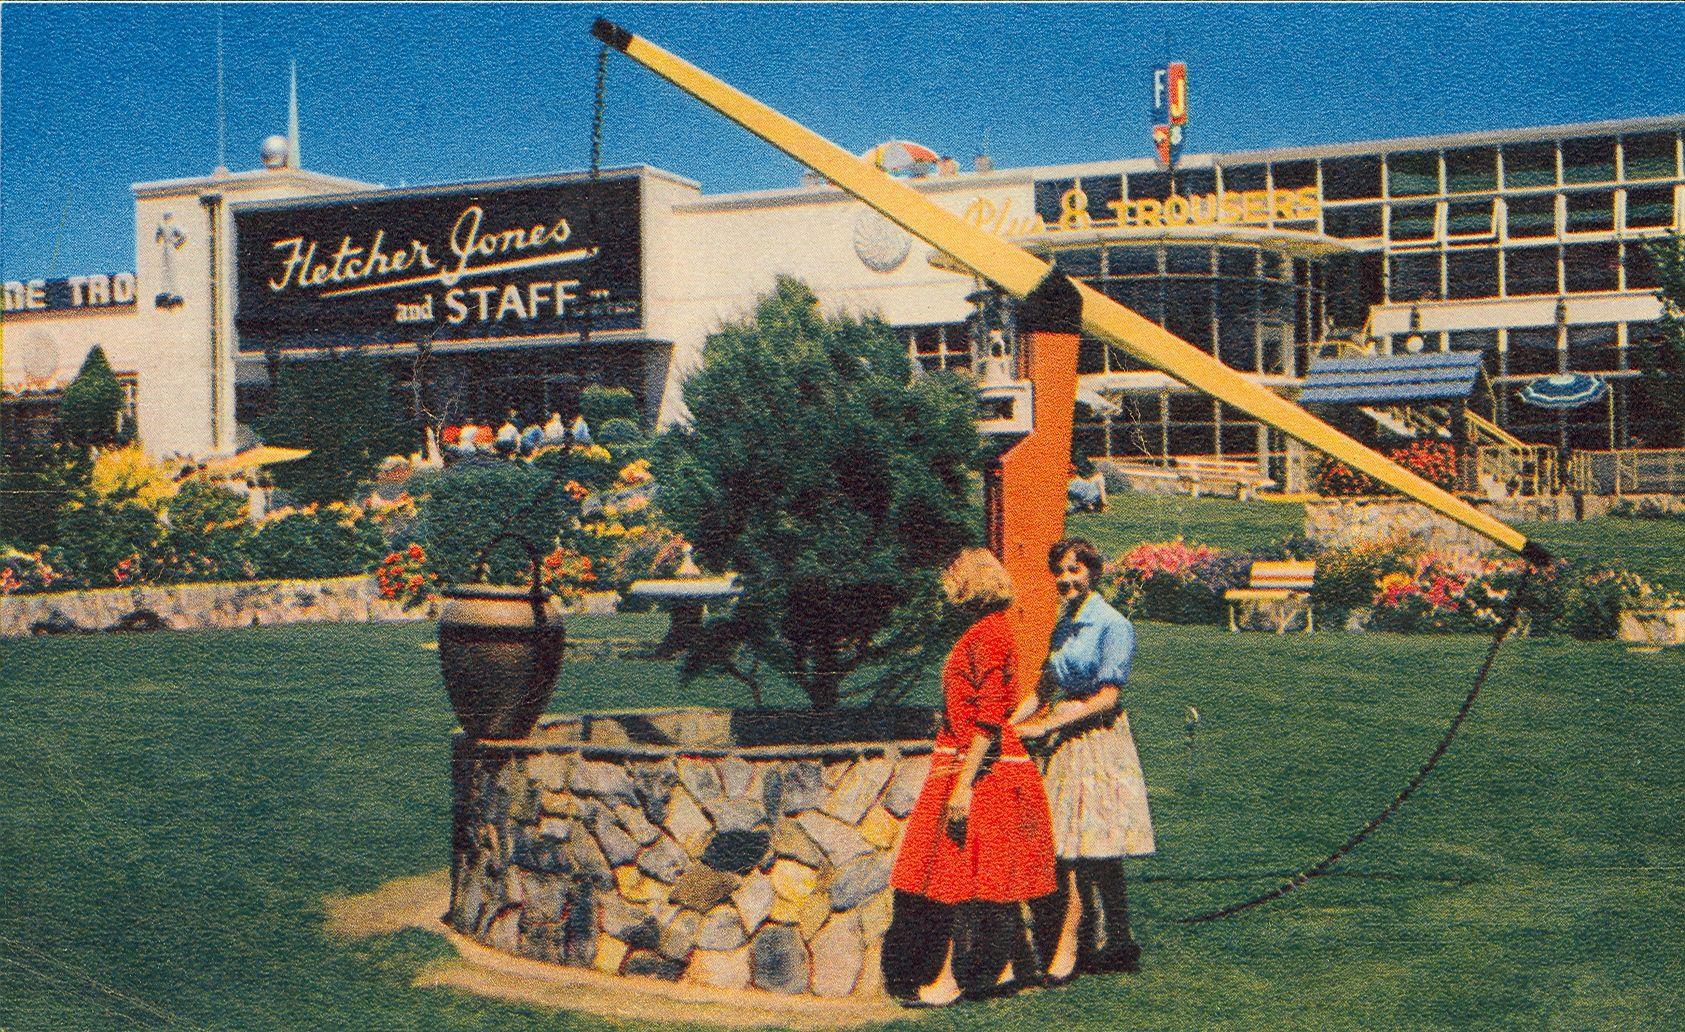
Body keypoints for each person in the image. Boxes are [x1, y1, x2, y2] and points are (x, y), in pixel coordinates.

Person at [883, 548, 1058, 1006]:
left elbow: (988, 719)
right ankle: (1000, 968)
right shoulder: (987, 631)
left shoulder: (989, 635)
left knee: (964, 878)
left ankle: (950, 978)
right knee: (976, 880)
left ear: (971, 586)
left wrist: (963, 785)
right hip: (971, 764)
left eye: (954, 582)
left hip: (983, 771)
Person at [1014, 537, 1154, 982]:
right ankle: (1120, 937)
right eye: (1059, 571)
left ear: (1092, 572)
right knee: (1088, 844)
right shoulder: (1065, 625)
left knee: (1083, 846)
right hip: (1065, 740)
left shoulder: (1113, 625)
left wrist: (1054, 723)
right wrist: (1006, 721)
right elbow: (1042, 688)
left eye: (1073, 570)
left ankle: (1069, 948)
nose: (1065, 580)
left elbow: (1109, 697)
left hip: (1097, 741)